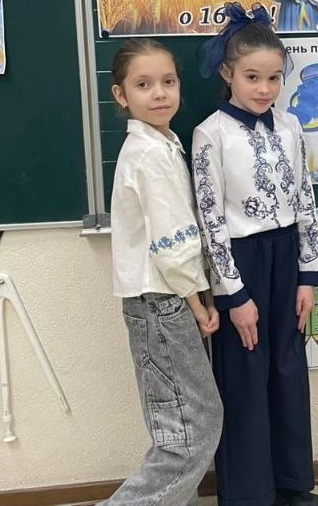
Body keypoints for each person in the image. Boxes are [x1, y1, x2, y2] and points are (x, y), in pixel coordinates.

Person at [191, 3, 318, 506]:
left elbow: (305, 199)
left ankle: (293, 485)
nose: (264, 88)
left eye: (273, 78)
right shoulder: (210, 133)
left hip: (286, 257)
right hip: (241, 264)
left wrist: (307, 274)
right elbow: (210, 220)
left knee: (288, 371)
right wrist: (234, 295)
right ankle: (250, 494)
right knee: (246, 377)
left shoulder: (289, 126)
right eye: (252, 77)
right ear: (228, 73)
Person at [104, 38, 223, 505]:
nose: (159, 93)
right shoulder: (150, 154)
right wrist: (197, 302)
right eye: (143, 84)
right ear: (120, 95)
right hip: (165, 300)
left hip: (162, 297)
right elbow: (172, 243)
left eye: (168, 82)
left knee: (178, 424)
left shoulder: (163, 144)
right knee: (190, 432)